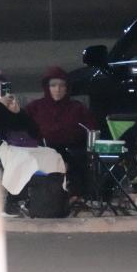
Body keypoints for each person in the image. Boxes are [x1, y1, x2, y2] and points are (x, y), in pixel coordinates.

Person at [25, 66, 97, 196]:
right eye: (53, 85)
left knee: (79, 159)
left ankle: (76, 195)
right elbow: (24, 129)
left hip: (71, 151)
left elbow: (90, 129)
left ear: (67, 88)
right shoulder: (35, 107)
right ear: (47, 87)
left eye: (62, 86)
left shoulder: (77, 108)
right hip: (42, 150)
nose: (57, 89)